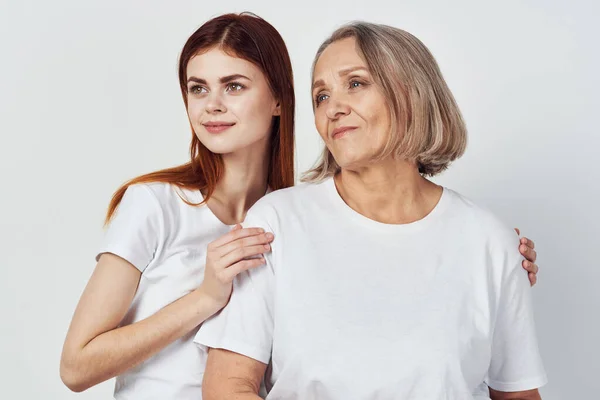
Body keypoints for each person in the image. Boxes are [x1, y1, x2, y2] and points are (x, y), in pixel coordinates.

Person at [195, 21, 547, 400]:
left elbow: (518, 394)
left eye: (356, 83)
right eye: (321, 97)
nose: (333, 108)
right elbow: (226, 387)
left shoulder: (490, 242)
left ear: (411, 93)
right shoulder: (277, 224)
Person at [59, 13, 295, 399]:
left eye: (233, 86)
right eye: (198, 88)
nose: (211, 105)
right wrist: (205, 297)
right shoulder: (155, 203)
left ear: (278, 100)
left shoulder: (290, 218)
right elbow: (75, 367)